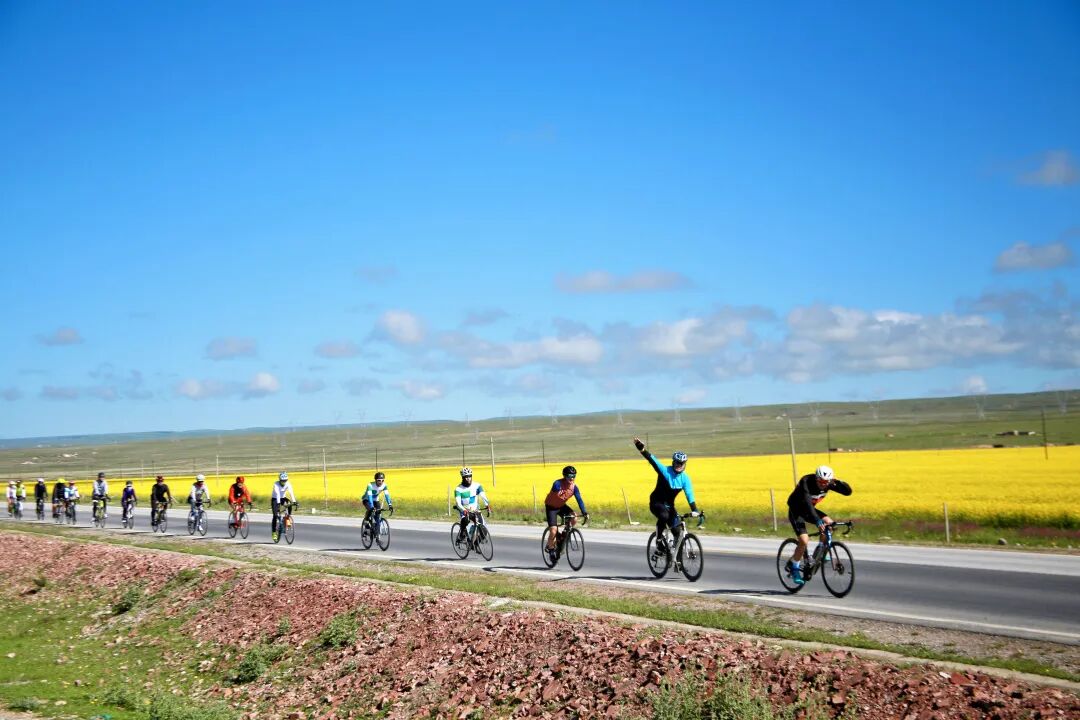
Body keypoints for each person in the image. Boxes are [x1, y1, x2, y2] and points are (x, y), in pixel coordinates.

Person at [786, 465, 852, 585]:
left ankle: (820, 551)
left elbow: (848, 492)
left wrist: (837, 481)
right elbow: (807, 502)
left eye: (826, 482)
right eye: (820, 481)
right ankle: (794, 567)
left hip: (809, 511)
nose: (823, 484)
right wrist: (817, 520)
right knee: (804, 540)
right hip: (797, 511)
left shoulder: (829, 483)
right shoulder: (806, 481)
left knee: (830, 524)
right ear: (816, 478)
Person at [633, 437, 700, 550]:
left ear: (685, 464)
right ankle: (659, 540)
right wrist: (642, 449)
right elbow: (652, 460)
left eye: (682, 463)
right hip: (656, 503)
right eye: (677, 463)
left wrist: (695, 510)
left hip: (669, 506)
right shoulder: (665, 471)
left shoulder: (685, 479)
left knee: (678, 535)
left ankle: (678, 565)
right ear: (673, 462)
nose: (679, 465)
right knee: (664, 516)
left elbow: (689, 494)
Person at [543, 466, 589, 562]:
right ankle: (550, 548)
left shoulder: (574, 487)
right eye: (569, 476)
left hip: (561, 506)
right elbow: (555, 488)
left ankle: (563, 535)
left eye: (574, 476)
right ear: (564, 476)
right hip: (551, 507)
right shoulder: (557, 484)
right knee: (553, 530)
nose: (572, 478)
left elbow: (579, 500)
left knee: (574, 517)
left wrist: (584, 512)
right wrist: (558, 489)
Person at [454, 467, 491, 543]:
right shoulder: (458, 489)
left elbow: (483, 496)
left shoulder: (477, 485)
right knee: (465, 520)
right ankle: (462, 535)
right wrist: (463, 510)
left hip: (475, 510)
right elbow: (458, 503)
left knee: (483, 530)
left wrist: (487, 505)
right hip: (465, 510)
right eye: (466, 477)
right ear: (463, 478)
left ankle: (475, 542)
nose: (468, 478)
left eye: (469, 476)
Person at [270, 471, 297, 537]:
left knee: (290, 504)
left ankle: (287, 517)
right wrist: (278, 504)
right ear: (280, 480)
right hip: (275, 499)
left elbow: (291, 492)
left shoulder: (288, 484)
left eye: (285, 480)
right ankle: (274, 532)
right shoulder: (276, 484)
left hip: (283, 498)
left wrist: (294, 501)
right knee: (275, 515)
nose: (284, 482)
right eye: (282, 480)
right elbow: (278, 494)